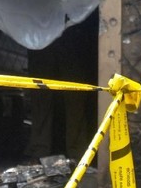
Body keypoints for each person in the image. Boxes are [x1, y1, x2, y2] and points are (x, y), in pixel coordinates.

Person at [22, 9, 99, 163]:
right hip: (42, 32)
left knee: (75, 96)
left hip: (71, 33)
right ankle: (40, 151)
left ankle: (78, 154)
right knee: (41, 95)